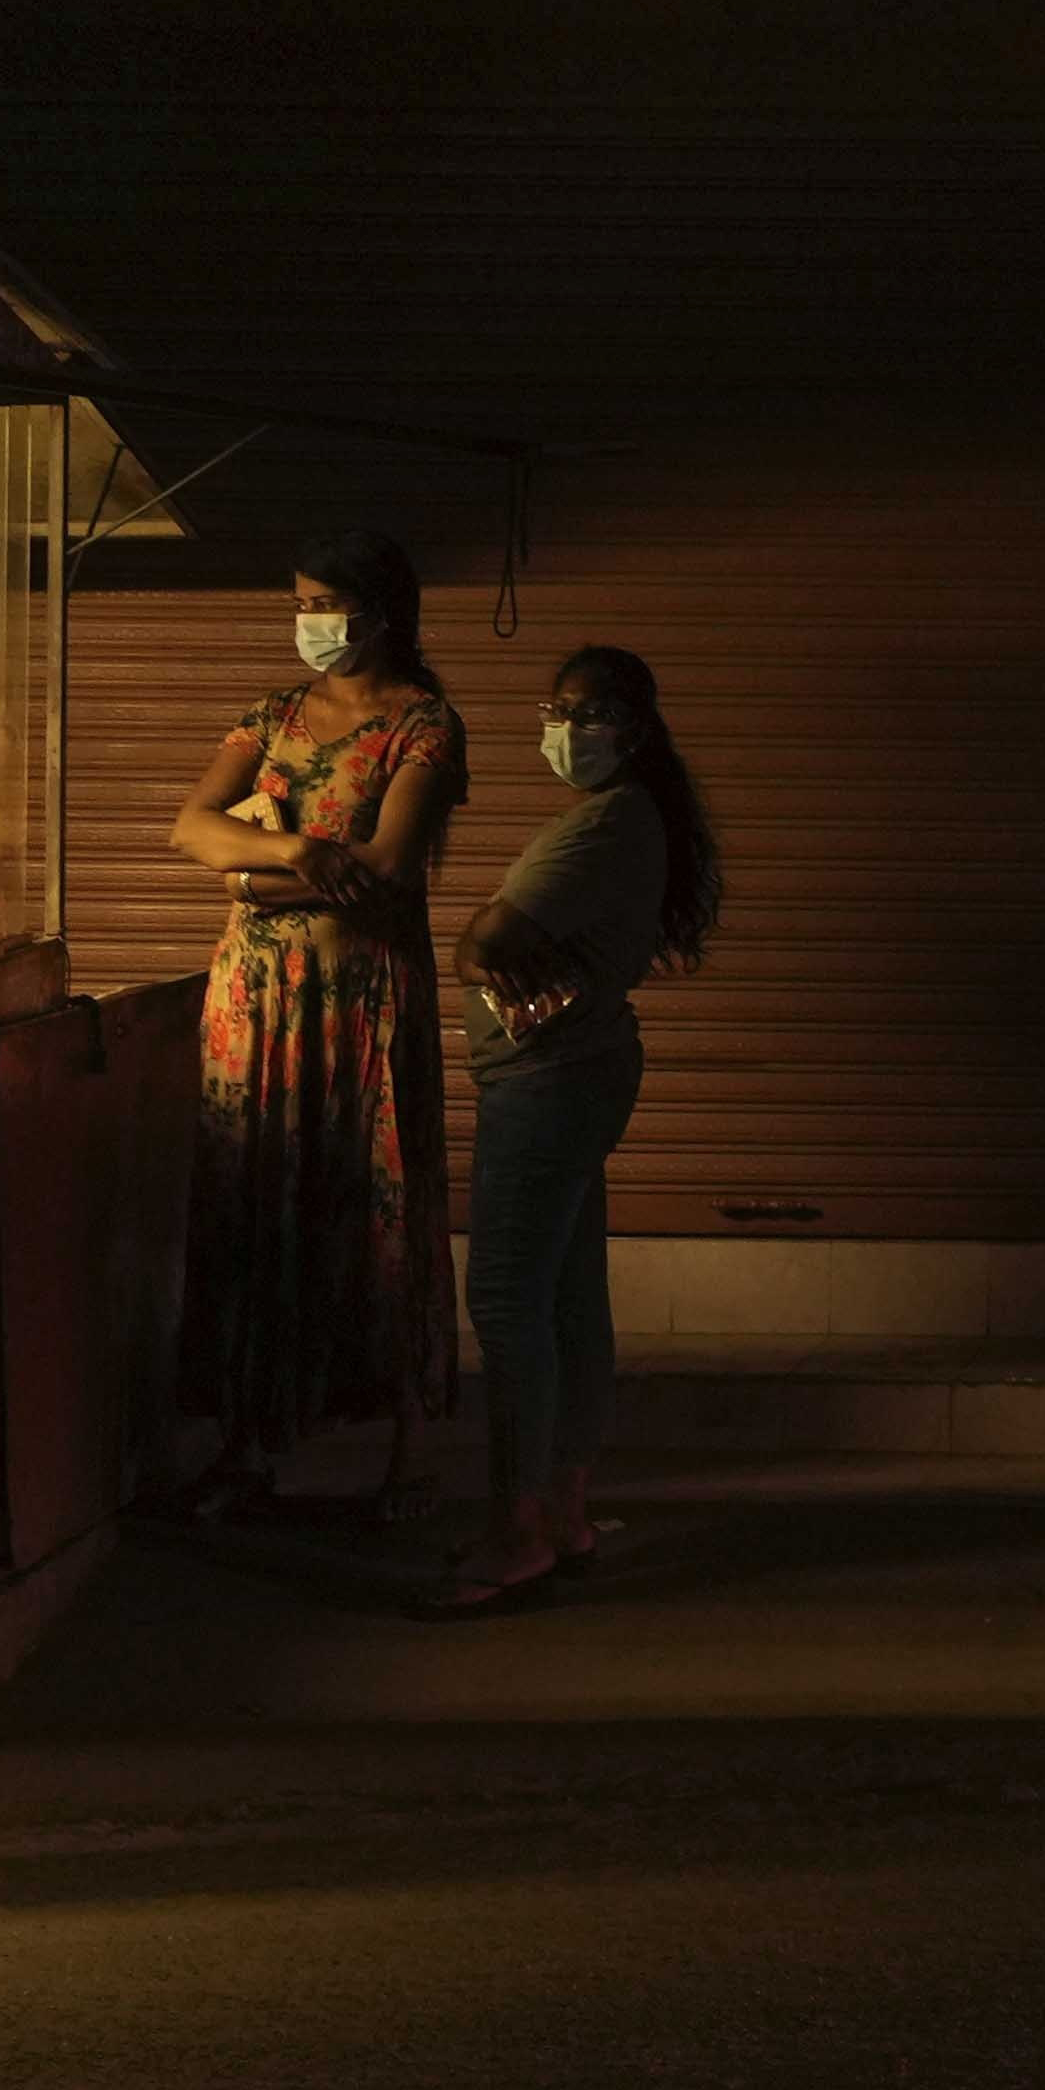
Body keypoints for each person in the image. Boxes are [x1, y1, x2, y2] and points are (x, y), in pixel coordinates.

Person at [171, 528, 468, 1510]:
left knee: (373, 1197)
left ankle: (403, 1449)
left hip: (361, 996)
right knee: (251, 1197)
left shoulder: (423, 725)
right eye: (299, 604)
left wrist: (249, 879)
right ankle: (247, 1441)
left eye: (325, 605)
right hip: (255, 997)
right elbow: (191, 827)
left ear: (381, 612)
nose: (309, 623)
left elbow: (387, 867)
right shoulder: (272, 714)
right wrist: (295, 854)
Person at [435, 642, 721, 1615]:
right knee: (564, 1294)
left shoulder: (607, 824)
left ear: (632, 731)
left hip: (547, 1082)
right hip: (573, 1072)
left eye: (584, 713)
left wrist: (480, 944)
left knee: (506, 1297)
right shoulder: (626, 817)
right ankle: (562, 1514)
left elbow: (485, 939)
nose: (563, 730)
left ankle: (517, 1534)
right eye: (553, 710)